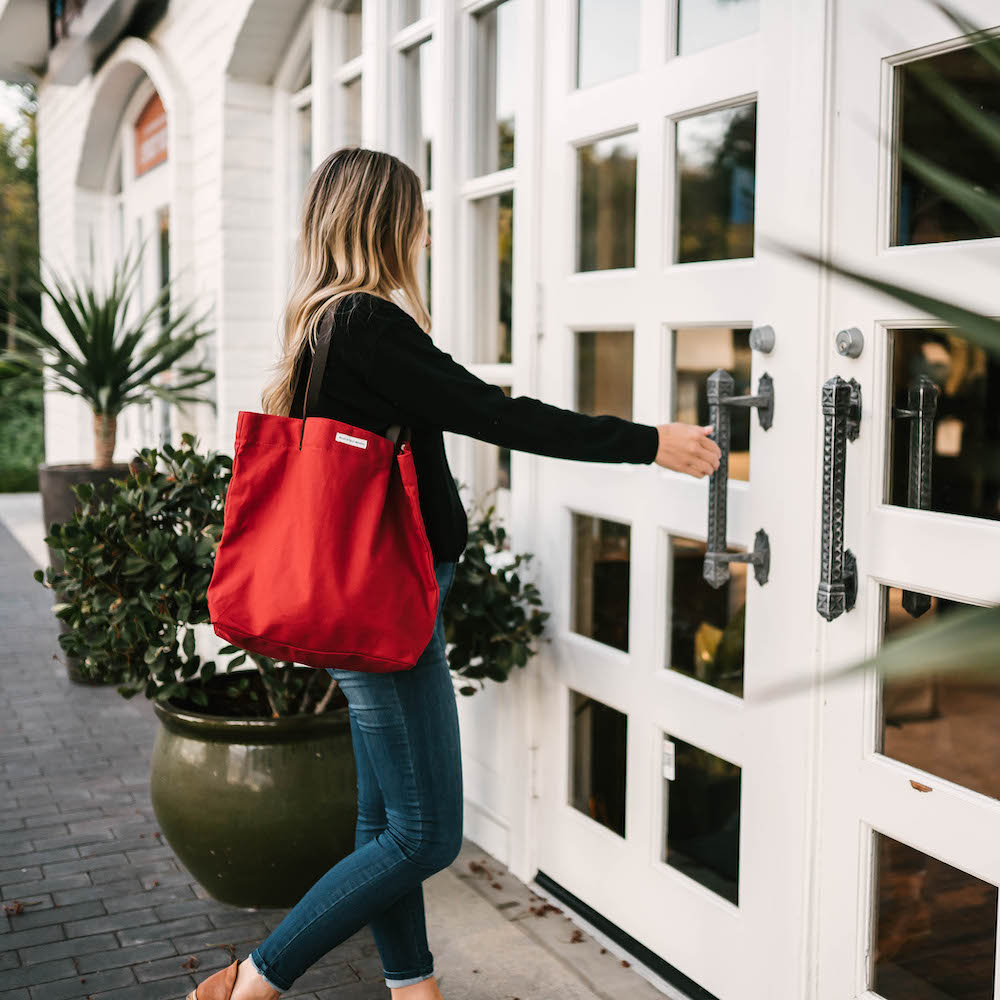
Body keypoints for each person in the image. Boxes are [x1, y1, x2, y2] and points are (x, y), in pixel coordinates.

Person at [185, 147, 721, 1000]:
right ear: (387, 222)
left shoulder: (325, 326)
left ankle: (413, 989)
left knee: (382, 822)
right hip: (383, 608)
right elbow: (493, 413)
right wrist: (647, 442)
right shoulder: (366, 324)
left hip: (362, 599)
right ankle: (251, 981)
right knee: (426, 836)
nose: (428, 229)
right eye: (418, 213)